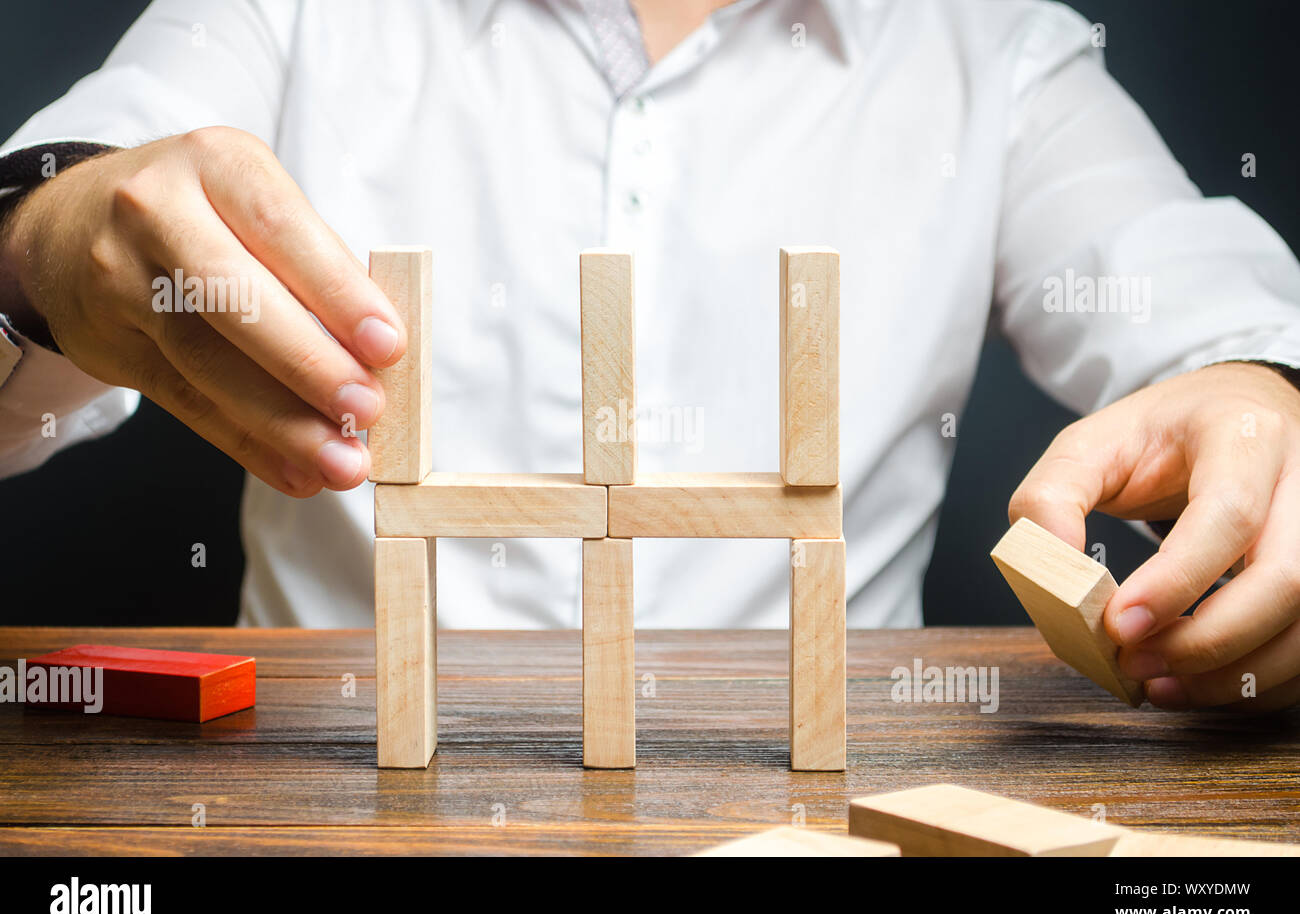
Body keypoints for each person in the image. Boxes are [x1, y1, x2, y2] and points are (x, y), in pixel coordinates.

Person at [1, 0, 1298, 711]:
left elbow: (1226, 320)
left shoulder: (994, 45)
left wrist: (1271, 397)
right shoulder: (285, 14)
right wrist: (37, 257)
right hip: (334, 789)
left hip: (821, 807)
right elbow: (74, 194)